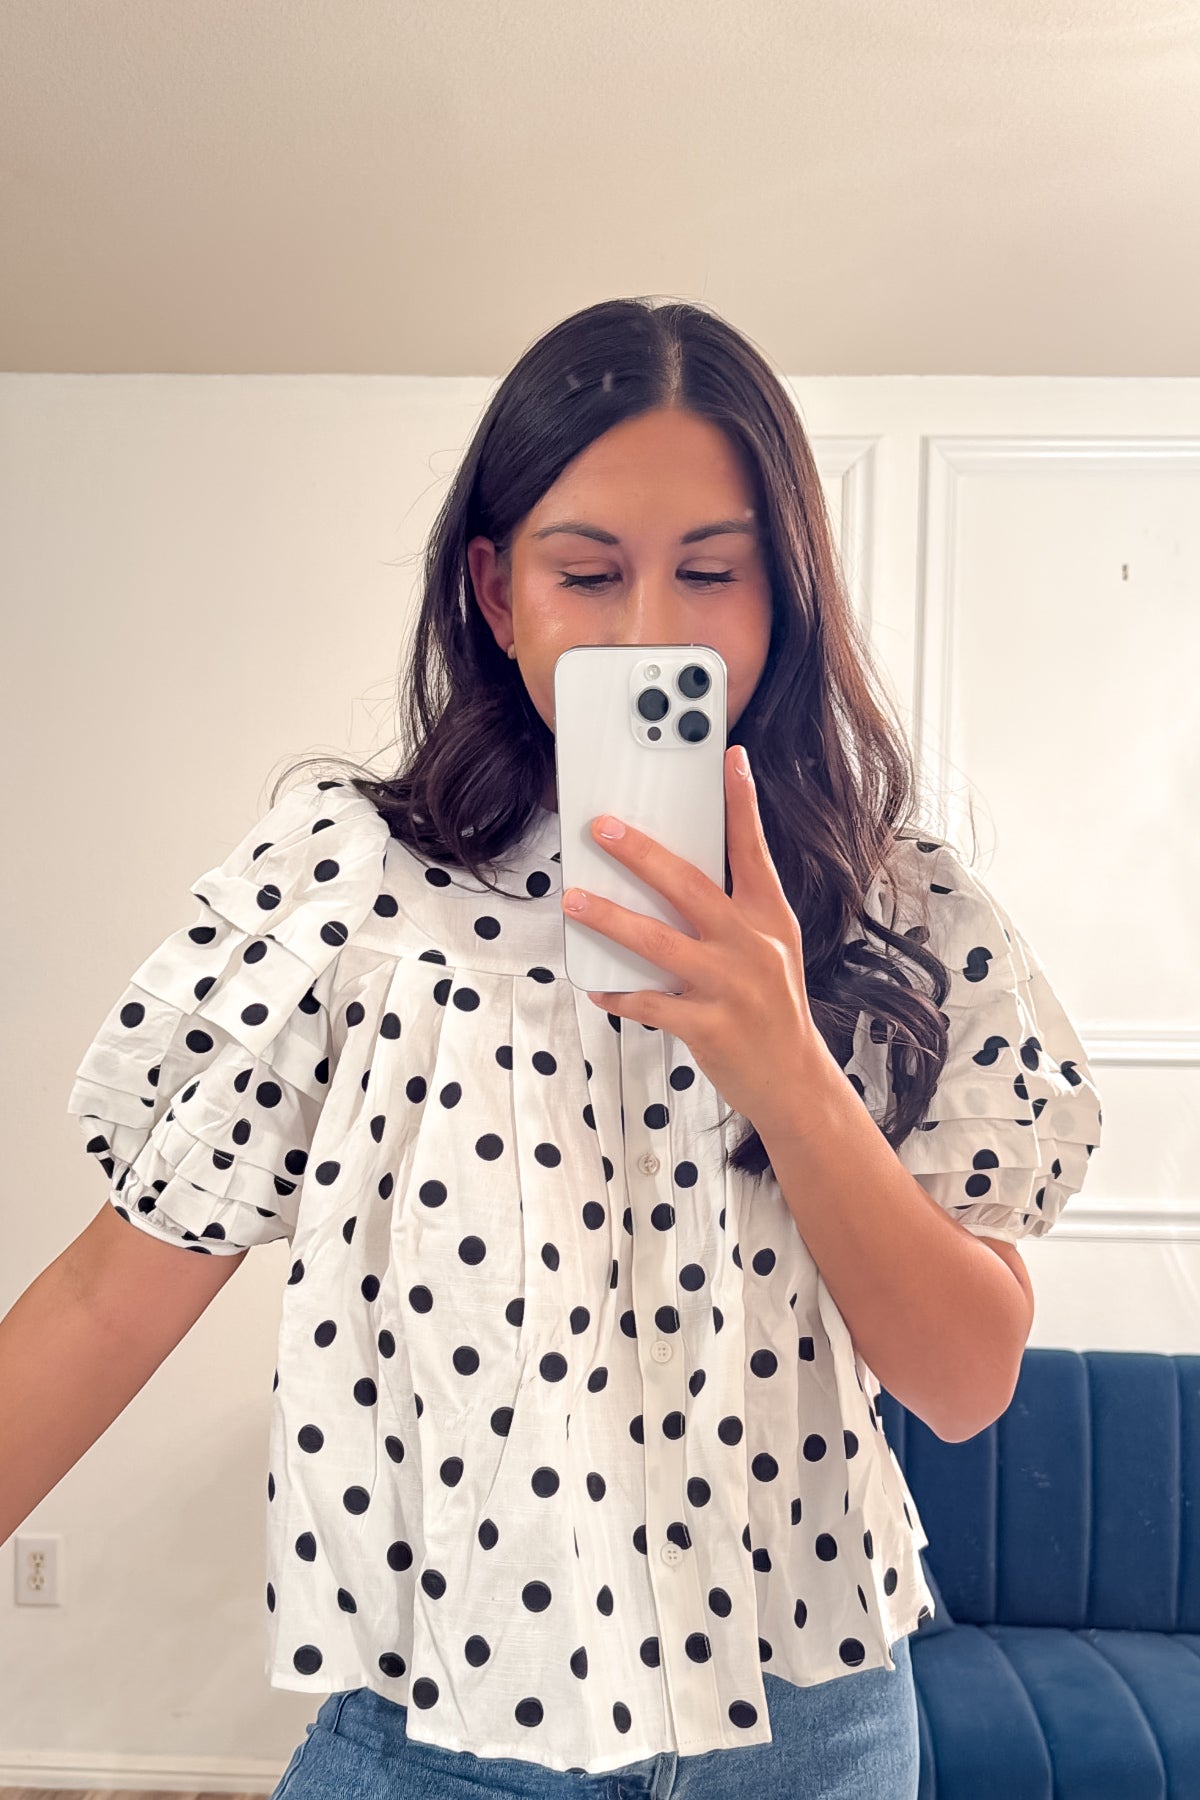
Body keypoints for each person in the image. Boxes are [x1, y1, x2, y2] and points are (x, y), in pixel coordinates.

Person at [4, 297, 1103, 1799]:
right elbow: (107, 1298)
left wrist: (785, 1061)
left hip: (815, 1730)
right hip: (447, 1730)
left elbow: (967, 1384)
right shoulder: (349, 893)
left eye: (711, 571)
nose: (650, 630)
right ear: (496, 590)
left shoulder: (897, 908)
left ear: (783, 593)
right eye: (587, 573)